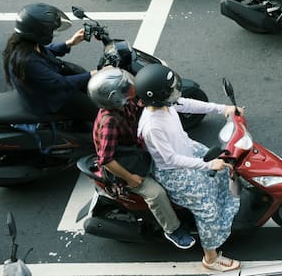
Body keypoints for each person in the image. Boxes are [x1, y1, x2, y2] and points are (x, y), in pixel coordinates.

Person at [135, 63, 242, 272]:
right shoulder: (152, 126)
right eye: (171, 90)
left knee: (226, 167)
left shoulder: (166, 103)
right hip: (174, 172)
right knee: (208, 210)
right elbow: (171, 159)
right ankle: (210, 258)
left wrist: (223, 109)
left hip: (188, 150)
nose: (176, 92)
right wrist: (208, 164)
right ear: (157, 96)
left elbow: (189, 104)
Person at [88, 66, 197, 250]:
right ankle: (172, 229)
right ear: (115, 96)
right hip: (127, 165)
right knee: (157, 194)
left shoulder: (125, 103)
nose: (132, 87)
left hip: (137, 149)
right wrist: (131, 179)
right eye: (126, 87)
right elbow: (107, 159)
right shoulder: (110, 122)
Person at [2, 3, 98, 122]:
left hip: (48, 87)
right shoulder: (28, 61)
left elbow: (44, 52)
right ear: (39, 33)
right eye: (50, 30)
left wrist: (70, 43)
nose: (52, 33)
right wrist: (93, 74)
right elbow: (60, 83)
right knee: (97, 111)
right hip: (50, 101)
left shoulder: (24, 43)